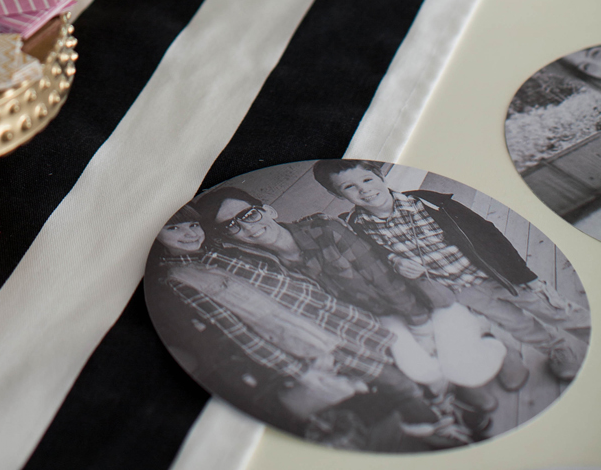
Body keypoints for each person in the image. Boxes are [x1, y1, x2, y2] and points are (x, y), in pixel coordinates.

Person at [153, 200, 470, 449]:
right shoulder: (180, 279)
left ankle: (440, 414)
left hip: (337, 318)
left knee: (403, 370)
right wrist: (300, 371)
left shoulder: (222, 249)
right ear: (157, 237)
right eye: (175, 230)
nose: (190, 234)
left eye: (192, 224)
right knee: (398, 383)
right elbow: (235, 332)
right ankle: (438, 433)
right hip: (312, 342)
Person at [312, 160, 589, 384]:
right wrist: (396, 262)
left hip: (499, 277)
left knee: (555, 310)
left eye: (367, 180)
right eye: (349, 187)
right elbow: (379, 258)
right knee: (516, 323)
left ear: (380, 175)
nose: (364, 190)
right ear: (337, 195)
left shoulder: (430, 202)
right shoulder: (359, 226)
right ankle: (558, 350)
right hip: (461, 290)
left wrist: (523, 275)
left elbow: (488, 234)